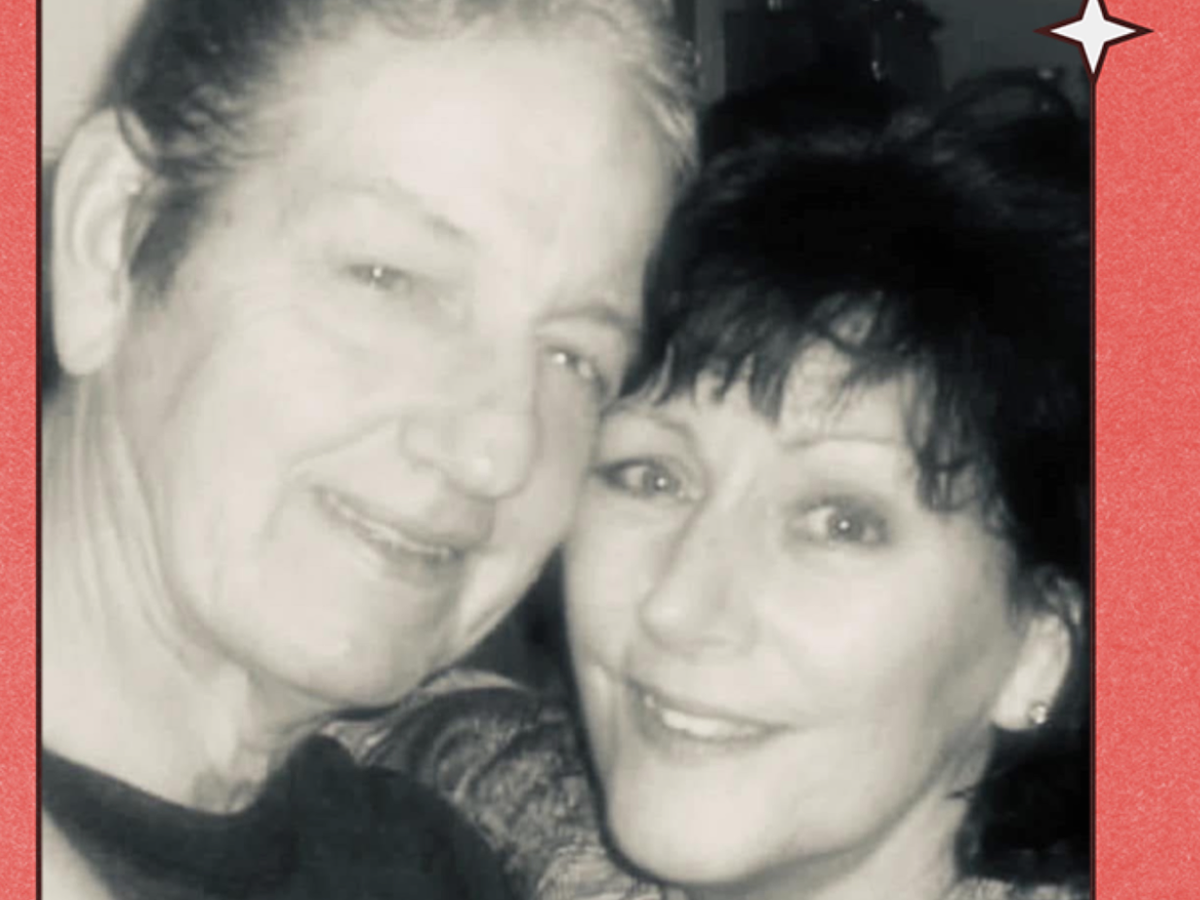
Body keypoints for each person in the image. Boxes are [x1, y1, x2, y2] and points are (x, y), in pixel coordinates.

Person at [355, 73, 1090, 900]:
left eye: (840, 522)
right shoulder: (507, 819)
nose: (679, 605)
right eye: (650, 476)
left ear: (1040, 651)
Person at [40, 0, 694, 897]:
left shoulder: (435, 870)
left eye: (574, 358)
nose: (498, 449)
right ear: (112, 240)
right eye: (391, 280)